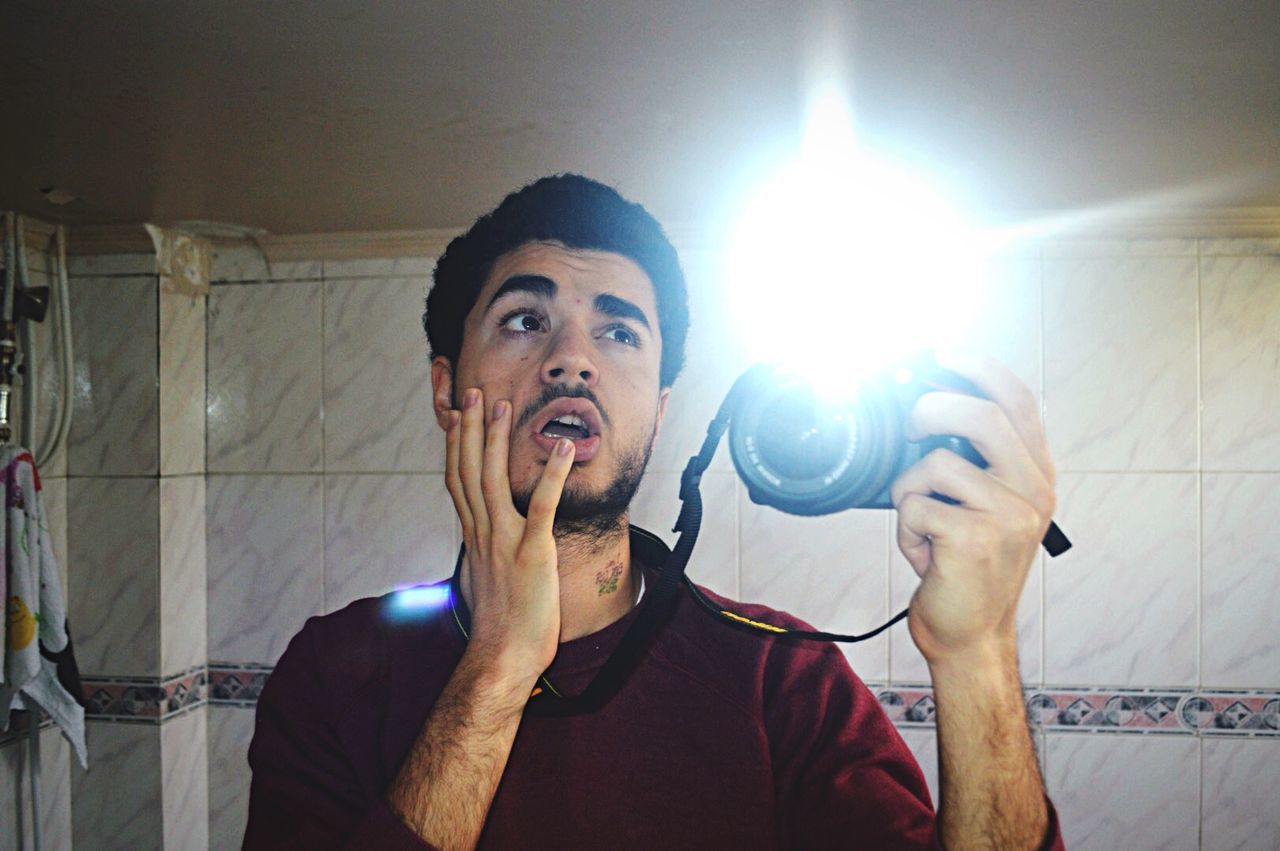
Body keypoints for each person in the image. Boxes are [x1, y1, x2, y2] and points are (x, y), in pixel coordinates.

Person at [244, 174, 1064, 850]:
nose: (572, 358)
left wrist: (977, 651)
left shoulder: (786, 680)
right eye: (526, 321)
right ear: (446, 389)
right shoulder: (332, 670)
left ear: (661, 407)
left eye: (621, 334)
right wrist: (497, 665)